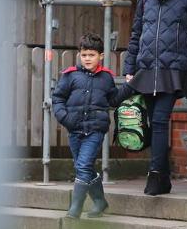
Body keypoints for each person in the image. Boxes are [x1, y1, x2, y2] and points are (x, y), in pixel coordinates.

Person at [123, 0, 187, 196]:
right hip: (146, 68)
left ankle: (154, 175)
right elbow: (136, 33)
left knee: (160, 121)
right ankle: (164, 180)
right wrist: (129, 68)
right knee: (152, 122)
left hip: (173, 70)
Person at [52, 32, 133, 218]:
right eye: (84, 55)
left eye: (92, 55)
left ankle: (75, 208)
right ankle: (100, 202)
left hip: (95, 130)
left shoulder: (106, 78)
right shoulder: (70, 76)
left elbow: (113, 100)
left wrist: (128, 87)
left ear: (101, 56)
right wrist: (65, 118)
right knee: (83, 167)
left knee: (83, 165)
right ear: (79, 55)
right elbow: (58, 98)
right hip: (74, 129)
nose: (87, 58)